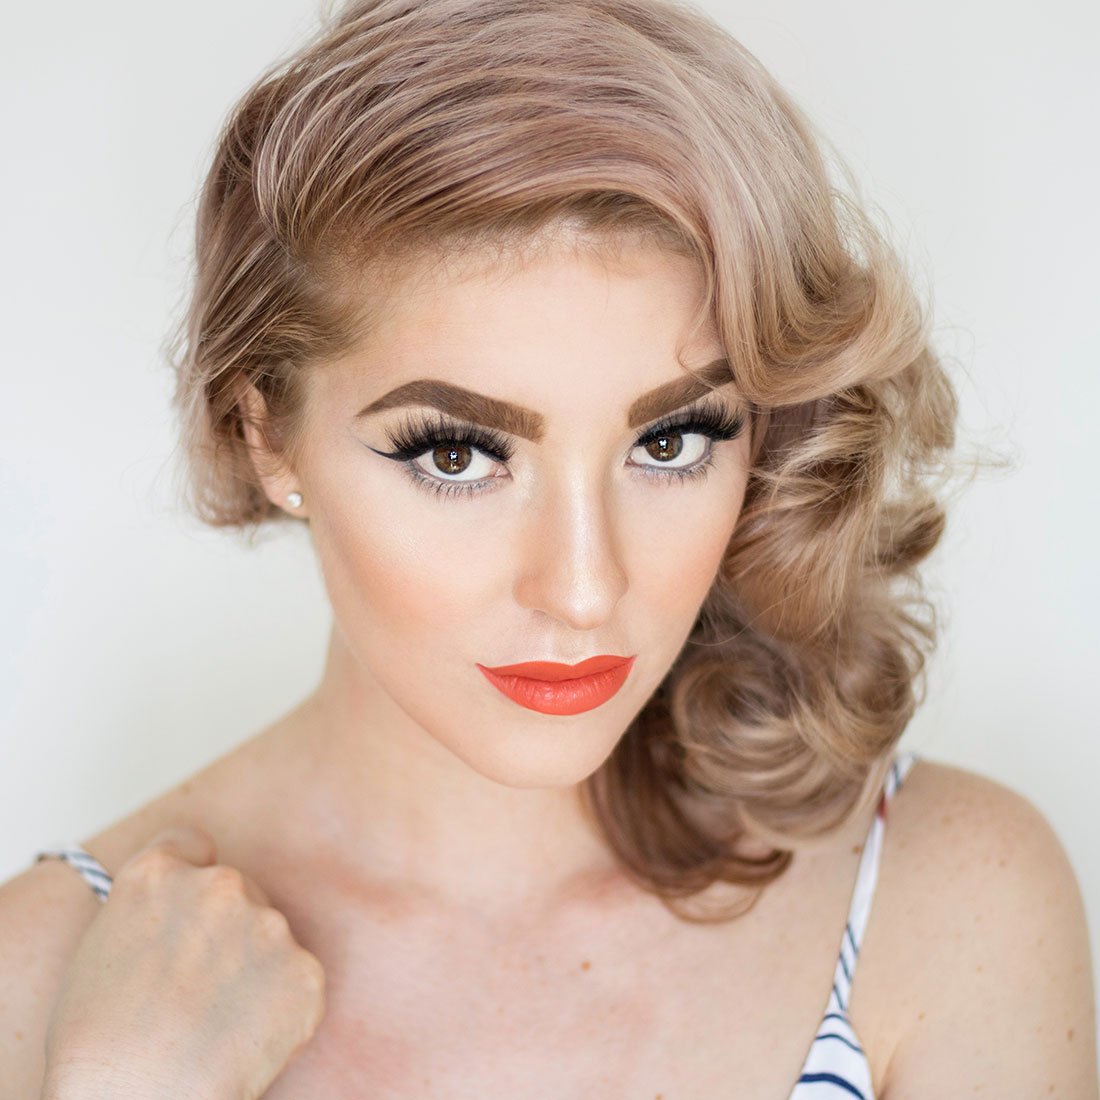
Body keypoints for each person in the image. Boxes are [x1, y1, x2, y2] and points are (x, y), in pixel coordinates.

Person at [3, 0, 1096, 1096]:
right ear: (265, 435)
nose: (582, 588)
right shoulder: (44, 983)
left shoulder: (941, 899)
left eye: (670, 442)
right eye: (456, 456)